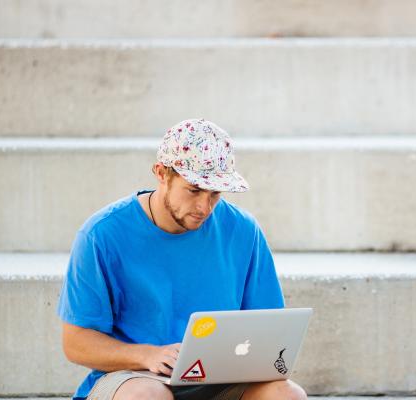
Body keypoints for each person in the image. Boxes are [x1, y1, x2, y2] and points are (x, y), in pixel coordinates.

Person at [57, 119, 308, 400]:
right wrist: (147, 355)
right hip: (135, 377)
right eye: (194, 190)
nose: (204, 207)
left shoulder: (243, 230)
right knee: (146, 396)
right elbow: (75, 343)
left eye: (215, 194)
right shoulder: (101, 234)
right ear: (162, 173)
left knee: (286, 395)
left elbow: (269, 329)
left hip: (221, 378)